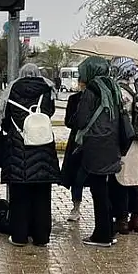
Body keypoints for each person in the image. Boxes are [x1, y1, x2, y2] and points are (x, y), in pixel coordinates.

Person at [0, 63, 60, 246]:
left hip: (18, 151)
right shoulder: (47, 90)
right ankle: (41, 237)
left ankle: (19, 236)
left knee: (19, 196)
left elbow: (5, 122)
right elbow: (49, 113)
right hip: (43, 149)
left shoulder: (12, 90)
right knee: (42, 196)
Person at [64, 57, 122, 247]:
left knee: (98, 190)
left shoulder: (91, 90)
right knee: (105, 189)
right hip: (111, 144)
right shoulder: (113, 87)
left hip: (95, 145)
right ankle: (109, 230)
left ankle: (101, 235)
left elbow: (81, 121)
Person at [111, 57, 138, 235]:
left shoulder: (120, 92)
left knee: (121, 180)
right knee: (134, 180)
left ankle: (122, 220)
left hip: (125, 141)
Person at [61, 89, 87, 222]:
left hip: (95, 142)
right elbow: (68, 122)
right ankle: (76, 207)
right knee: (77, 177)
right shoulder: (74, 99)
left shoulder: (102, 97)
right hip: (77, 142)